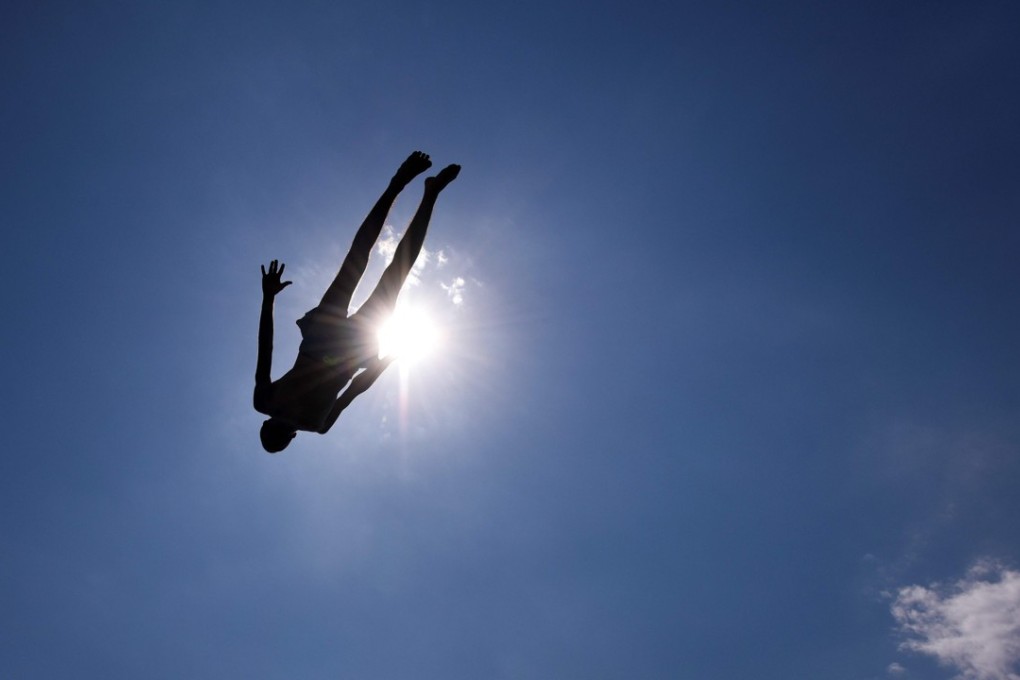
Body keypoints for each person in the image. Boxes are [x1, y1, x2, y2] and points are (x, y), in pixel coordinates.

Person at [254, 151, 460, 453]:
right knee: (360, 257)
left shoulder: (316, 425)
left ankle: (429, 193)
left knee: (395, 273)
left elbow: (355, 389)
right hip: (325, 343)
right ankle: (405, 185)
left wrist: (379, 367)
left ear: (291, 437)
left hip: (348, 354)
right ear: (268, 426)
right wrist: (268, 299)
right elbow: (265, 348)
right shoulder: (268, 405)